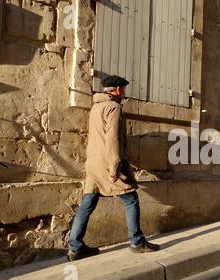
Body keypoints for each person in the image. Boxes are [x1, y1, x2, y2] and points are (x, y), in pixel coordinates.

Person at [67, 75, 160, 262]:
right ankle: (137, 242)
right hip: (108, 163)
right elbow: (113, 140)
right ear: (117, 90)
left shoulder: (96, 108)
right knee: (131, 198)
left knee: (87, 204)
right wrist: (114, 169)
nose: (124, 94)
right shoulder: (114, 108)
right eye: (123, 90)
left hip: (93, 164)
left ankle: (75, 248)